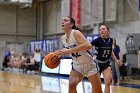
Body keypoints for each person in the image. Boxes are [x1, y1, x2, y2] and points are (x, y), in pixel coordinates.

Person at [57, 16, 102, 93]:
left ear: (71, 24)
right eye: (62, 20)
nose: (62, 22)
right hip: (77, 66)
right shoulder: (63, 38)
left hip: (89, 64)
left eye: (65, 20)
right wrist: (61, 53)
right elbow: (70, 51)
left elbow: (88, 45)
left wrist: (69, 50)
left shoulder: (75, 33)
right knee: (71, 85)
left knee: (97, 91)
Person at [90, 25, 122, 93]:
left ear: (108, 31)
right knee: (96, 85)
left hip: (106, 63)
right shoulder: (97, 40)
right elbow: (88, 47)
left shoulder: (111, 40)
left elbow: (111, 51)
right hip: (97, 63)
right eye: (100, 29)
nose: (101, 30)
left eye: (103, 29)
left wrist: (116, 60)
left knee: (107, 83)